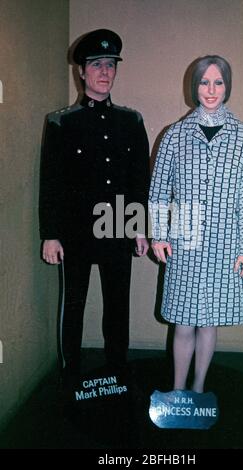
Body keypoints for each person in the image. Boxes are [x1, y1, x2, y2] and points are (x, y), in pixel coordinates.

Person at [39, 29, 150, 381]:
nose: (105, 71)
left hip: (118, 226)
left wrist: (139, 228)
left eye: (110, 65)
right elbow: (51, 182)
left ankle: (117, 371)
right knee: (73, 305)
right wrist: (51, 235)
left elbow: (138, 181)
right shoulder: (62, 122)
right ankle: (71, 375)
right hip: (75, 231)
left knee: (118, 306)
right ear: (81, 72)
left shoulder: (131, 121)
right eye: (96, 65)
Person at [149, 55, 243, 393]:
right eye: (204, 82)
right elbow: (157, 192)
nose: (211, 90)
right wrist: (158, 235)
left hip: (226, 243)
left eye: (218, 82)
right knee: (183, 322)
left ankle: (198, 389)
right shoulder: (175, 135)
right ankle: (178, 389)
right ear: (194, 86)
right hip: (184, 240)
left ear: (227, 86)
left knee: (209, 322)